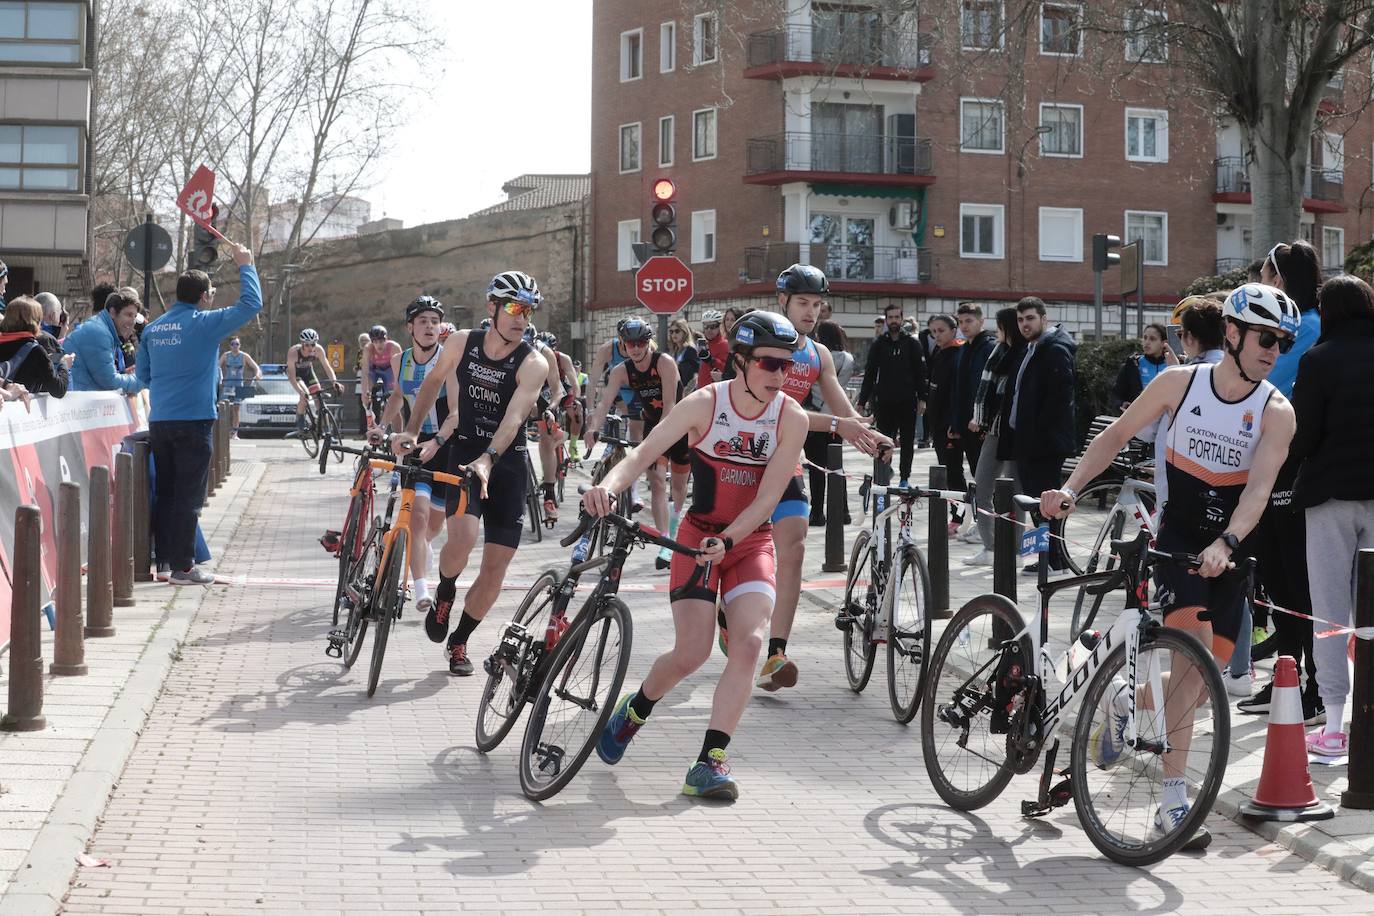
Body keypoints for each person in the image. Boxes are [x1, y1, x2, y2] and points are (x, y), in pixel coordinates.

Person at [1042, 281, 1301, 851]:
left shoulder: (1276, 412)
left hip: (1231, 546)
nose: (1272, 350)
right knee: (1191, 669)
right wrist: (1069, 488)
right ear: (1232, 333)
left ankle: (1122, 699)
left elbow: (1258, 492)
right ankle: (1173, 802)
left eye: (1281, 342)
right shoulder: (1178, 385)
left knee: (1208, 681)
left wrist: (1229, 541)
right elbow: (1114, 435)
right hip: (1177, 539)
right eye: (1264, 338)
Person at [591, 310, 810, 800]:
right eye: (769, 364)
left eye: (786, 365)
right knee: (692, 653)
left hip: (747, 543)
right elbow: (642, 454)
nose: (780, 375)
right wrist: (606, 486)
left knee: (750, 645)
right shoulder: (705, 404)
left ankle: (709, 762)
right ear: (740, 361)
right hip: (696, 538)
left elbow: (769, 497)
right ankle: (635, 710)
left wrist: (731, 540)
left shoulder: (790, 417)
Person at [725, 264, 889, 693]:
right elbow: (773, 410)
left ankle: (776, 654)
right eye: (803, 303)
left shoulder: (817, 354)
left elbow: (843, 409)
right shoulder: (757, 340)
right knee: (735, 551)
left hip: (785, 461)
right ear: (783, 300)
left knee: (794, 549)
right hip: (739, 460)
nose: (811, 312)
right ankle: (727, 615)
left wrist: (869, 435)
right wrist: (837, 425)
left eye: (817, 304)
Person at [392, 270, 549, 677]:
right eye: (514, 308)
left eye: (528, 311)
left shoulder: (533, 362)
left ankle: (460, 641)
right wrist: (411, 430)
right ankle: (445, 593)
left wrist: (491, 457)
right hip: (464, 454)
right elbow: (432, 384)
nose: (521, 318)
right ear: (492, 307)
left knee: (495, 567)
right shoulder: (462, 342)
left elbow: (515, 417)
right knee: (462, 538)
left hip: (507, 464)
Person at [136, 245, 262, 586]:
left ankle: (164, 563)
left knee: (166, 494)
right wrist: (245, 265)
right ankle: (184, 567)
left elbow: (143, 377)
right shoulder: (206, 323)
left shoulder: (152, 329)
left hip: (160, 421)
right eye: (212, 294)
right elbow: (251, 304)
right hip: (193, 422)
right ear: (205, 296)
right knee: (189, 498)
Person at [1237, 240, 1324, 721]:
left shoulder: (1302, 330)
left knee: (1292, 581)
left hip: (1287, 468)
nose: (1263, 284)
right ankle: (1288, 679)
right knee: (1278, 579)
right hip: (1272, 465)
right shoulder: (1299, 326)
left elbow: (1263, 389)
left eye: (1268, 275)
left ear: (1283, 279)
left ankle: (1303, 685)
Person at [1290, 274, 1374, 756]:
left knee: (1329, 610)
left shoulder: (1317, 359)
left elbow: (1302, 438)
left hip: (1329, 496)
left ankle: (1336, 724)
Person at [585, 318, 688, 563]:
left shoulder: (664, 362)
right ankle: (665, 542)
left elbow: (670, 407)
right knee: (657, 482)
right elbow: (605, 401)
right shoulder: (621, 371)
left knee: (679, 487)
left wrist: (657, 440)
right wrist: (593, 428)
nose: (635, 348)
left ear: (648, 341)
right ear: (623, 344)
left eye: (641, 342)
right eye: (630, 343)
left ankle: (673, 528)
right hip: (654, 425)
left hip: (680, 423)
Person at [374, 296, 452, 612]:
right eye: (423, 321)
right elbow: (396, 396)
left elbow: (458, 409)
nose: (430, 326)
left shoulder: (450, 359)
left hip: (446, 447)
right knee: (416, 518)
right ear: (410, 328)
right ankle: (419, 588)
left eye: (435, 321)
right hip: (415, 447)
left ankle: (423, 549)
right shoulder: (399, 360)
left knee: (433, 525)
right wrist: (382, 425)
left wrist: (442, 439)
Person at [1003, 297, 1077, 573]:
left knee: (1046, 503)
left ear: (1044, 318)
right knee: (1037, 501)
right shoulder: (1032, 348)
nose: (1024, 324)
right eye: (1021, 320)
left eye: (1030, 318)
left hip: (1044, 442)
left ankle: (1056, 560)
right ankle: (1047, 557)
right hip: (1028, 439)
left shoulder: (1054, 349)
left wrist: (1039, 434)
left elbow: (1059, 399)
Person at [962, 306, 1022, 566]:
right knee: (982, 485)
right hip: (995, 430)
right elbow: (985, 390)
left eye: (999, 327)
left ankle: (1017, 551)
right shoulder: (999, 352)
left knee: (1015, 493)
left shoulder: (1023, 354)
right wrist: (981, 418)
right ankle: (991, 547)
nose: (996, 332)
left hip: (1015, 432)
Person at [857, 303, 928, 486]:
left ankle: (905, 478)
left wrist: (923, 398)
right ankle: (883, 473)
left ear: (902, 319)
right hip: (884, 401)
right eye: (891, 318)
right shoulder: (879, 344)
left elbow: (921, 372)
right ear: (886, 320)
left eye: (897, 317)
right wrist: (862, 401)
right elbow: (870, 373)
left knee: (906, 441)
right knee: (882, 440)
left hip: (907, 400)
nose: (894, 321)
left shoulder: (912, 343)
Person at [948, 304, 995, 536]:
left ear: (981, 321)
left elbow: (987, 389)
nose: (964, 326)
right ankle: (981, 522)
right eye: (961, 322)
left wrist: (983, 420)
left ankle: (987, 525)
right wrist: (955, 423)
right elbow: (959, 388)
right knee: (976, 474)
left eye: (969, 321)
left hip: (981, 424)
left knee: (985, 477)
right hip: (965, 423)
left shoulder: (989, 347)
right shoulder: (964, 348)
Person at [805, 319, 854, 526]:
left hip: (816, 417)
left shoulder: (815, 356)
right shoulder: (848, 359)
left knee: (817, 468)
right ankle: (843, 511)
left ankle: (817, 513)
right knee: (836, 466)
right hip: (838, 416)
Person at [925, 314, 968, 533]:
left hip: (950, 426)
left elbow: (956, 392)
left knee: (954, 472)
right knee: (946, 470)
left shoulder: (958, 353)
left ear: (954, 330)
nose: (937, 335)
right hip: (938, 424)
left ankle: (960, 517)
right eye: (933, 332)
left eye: (941, 331)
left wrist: (954, 422)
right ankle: (960, 515)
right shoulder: (939, 353)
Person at [64, 287, 144, 394]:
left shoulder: (103, 329)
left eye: (134, 316)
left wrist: (126, 375)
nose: (133, 322)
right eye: (128, 315)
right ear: (113, 312)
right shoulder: (100, 333)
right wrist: (142, 381)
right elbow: (110, 382)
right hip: (75, 405)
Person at [0, 297, 69, 396]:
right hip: (21, 409)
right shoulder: (36, 351)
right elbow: (58, 389)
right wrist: (63, 363)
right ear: (36, 321)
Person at [285, 329, 343, 436]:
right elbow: (292, 377)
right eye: (307, 345)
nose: (311, 348)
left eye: (313, 344)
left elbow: (327, 367)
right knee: (305, 396)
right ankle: (301, 422)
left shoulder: (318, 350)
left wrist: (335, 382)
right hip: (296, 375)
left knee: (320, 400)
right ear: (302, 344)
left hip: (308, 372)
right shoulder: (293, 352)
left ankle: (327, 430)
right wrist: (300, 392)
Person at [1111, 323, 1176, 413]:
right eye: (1145, 338)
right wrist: (1121, 404)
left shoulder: (1173, 365)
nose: (1147, 342)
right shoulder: (1133, 364)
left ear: (1164, 343)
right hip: (1139, 421)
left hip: (1166, 420)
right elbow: (1116, 394)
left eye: (1152, 339)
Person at [218, 337, 261, 435]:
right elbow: (217, 367)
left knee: (236, 409)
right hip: (228, 385)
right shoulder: (226, 355)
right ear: (230, 345)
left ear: (240, 345)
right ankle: (223, 431)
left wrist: (257, 374)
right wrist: (219, 377)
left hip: (238, 386)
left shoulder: (244, 356)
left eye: (237, 344)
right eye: (233, 344)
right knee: (224, 408)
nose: (235, 346)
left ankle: (235, 432)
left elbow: (256, 367)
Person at [666, 317, 700, 394]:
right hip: (677, 391)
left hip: (689, 393)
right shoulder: (674, 351)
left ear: (684, 332)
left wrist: (687, 391)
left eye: (677, 331)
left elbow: (696, 374)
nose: (674, 334)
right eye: (671, 332)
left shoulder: (690, 350)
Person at [697, 309, 729, 388]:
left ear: (720, 326)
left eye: (713, 327)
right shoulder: (706, 344)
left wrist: (711, 360)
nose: (709, 330)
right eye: (706, 327)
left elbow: (727, 370)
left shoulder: (724, 344)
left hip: (715, 392)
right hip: (702, 390)